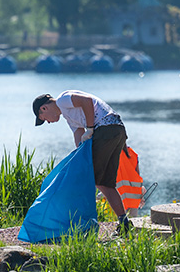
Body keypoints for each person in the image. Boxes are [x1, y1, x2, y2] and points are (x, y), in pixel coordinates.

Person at [33, 90, 131, 236]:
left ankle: (85, 226)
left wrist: (90, 128)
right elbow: (78, 135)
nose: (47, 122)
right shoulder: (69, 117)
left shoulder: (62, 100)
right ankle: (125, 224)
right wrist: (80, 156)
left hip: (105, 130)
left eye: (43, 119)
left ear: (44, 108)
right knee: (104, 183)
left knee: (88, 179)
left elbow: (87, 101)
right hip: (117, 130)